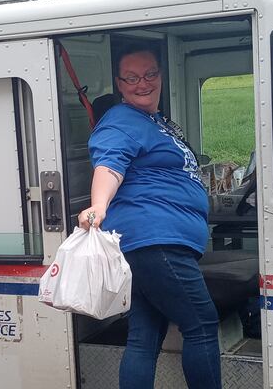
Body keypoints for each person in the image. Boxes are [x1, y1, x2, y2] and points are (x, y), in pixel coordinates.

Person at [78, 45, 221, 389]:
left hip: (155, 242)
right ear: (120, 83)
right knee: (201, 325)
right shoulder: (121, 121)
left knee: (145, 335)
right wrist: (99, 205)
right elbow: (109, 165)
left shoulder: (154, 121)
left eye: (150, 74)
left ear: (160, 75)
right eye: (132, 77)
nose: (142, 83)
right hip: (156, 241)